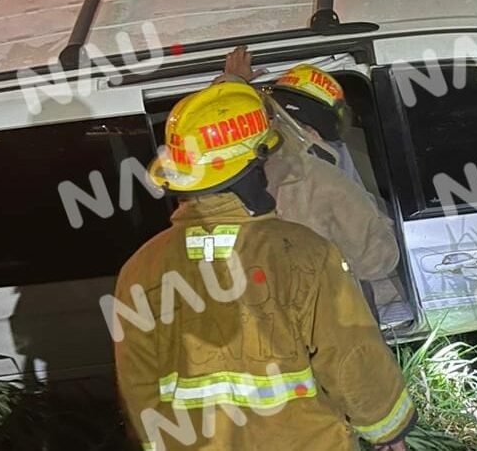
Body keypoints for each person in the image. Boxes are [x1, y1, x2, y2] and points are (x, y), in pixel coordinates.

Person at [113, 82, 414, 451]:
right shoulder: (302, 253)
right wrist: (389, 431)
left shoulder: (139, 269)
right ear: (252, 170)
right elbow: (351, 357)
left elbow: (136, 385)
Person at [217, 46, 404, 310]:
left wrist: (233, 85)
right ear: (316, 129)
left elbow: (215, 124)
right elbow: (376, 261)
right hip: (328, 319)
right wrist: (380, 220)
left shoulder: (233, 167)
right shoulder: (324, 180)